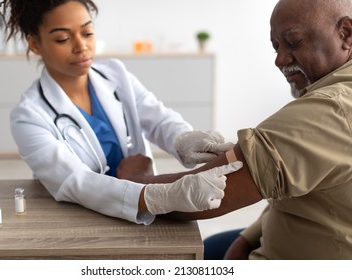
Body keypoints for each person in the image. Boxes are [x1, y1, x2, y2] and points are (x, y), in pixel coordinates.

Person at [117, 0, 352, 259]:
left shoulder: (330, 110)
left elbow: (192, 199)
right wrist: (246, 239)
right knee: (217, 245)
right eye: (276, 46)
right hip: (288, 236)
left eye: (293, 42)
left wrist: (132, 180)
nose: (279, 59)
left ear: (346, 34)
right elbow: (308, 192)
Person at [0, 0, 242, 225]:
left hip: (141, 200)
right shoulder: (28, 116)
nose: (81, 46)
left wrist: (183, 139)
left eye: (87, 32)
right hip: (83, 218)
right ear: (34, 43)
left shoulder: (115, 74)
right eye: (63, 38)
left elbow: (157, 118)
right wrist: (162, 196)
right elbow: (74, 182)